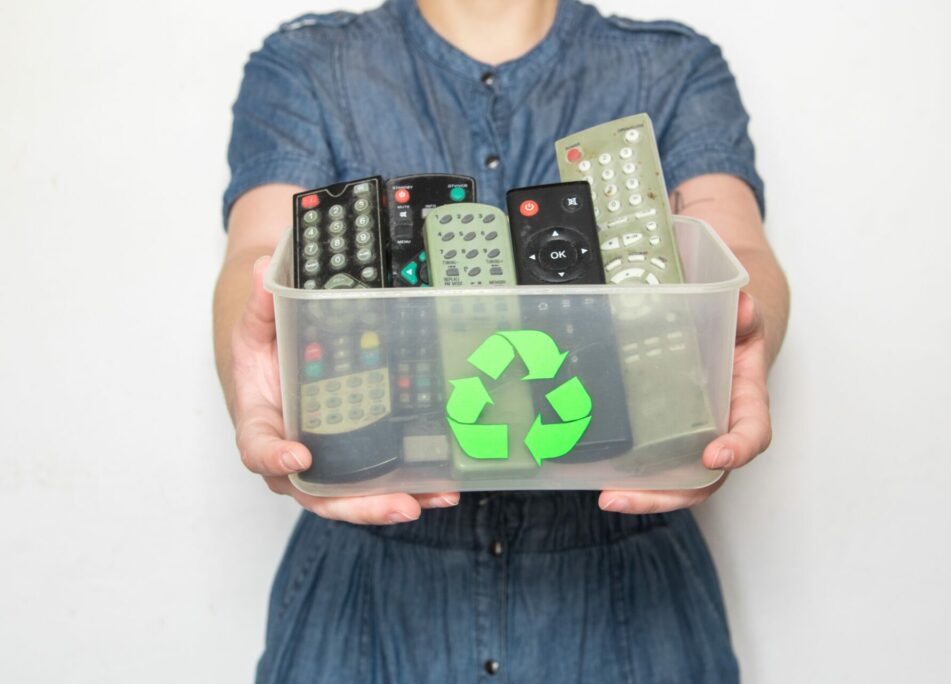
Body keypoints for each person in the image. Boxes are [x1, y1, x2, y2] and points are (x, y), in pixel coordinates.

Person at [214, 0, 789, 680]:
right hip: (371, 579)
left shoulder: (671, 64)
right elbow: (258, 248)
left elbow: (736, 243)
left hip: (628, 592)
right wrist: (253, 362)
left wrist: (738, 333)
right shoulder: (310, 62)